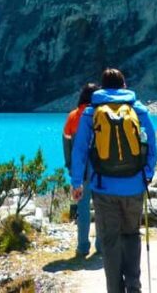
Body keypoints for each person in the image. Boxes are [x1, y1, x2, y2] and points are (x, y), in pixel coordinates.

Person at [70, 68, 157, 293]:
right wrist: (147, 173)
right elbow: (153, 145)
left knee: (110, 241)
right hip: (134, 187)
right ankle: (134, 286)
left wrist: (77, 182)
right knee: (131, 235)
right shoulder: (138, 109)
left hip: (103, 188)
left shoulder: (92, 112)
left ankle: (115, 289)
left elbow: (79, 149)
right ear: (124, 85)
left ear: (102, 87)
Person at [63, 82, 101, 257]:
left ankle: (82, 247)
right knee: (101, 206)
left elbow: (67, 144)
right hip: (100, 168)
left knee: (82, 208)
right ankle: (101, 245)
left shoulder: (73, 116)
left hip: (81, 170)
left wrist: (72, 168)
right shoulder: (101, 115)